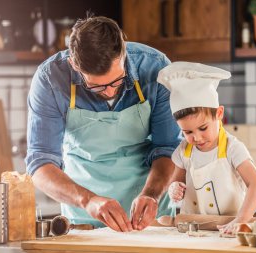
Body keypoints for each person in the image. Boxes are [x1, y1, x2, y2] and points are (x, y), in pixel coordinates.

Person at [26, 15, 181, 232]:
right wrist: (87, 200)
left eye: (117, 81)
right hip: (83, 212)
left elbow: (168, 148)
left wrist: (151, 194)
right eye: (96, 87)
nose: (109, 92)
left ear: (123, 53)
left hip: (150, 211)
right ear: (74, 64)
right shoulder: (50, 79)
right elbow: (40, 164)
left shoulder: (157, 69)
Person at [157, 62, 256, 235]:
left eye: (203, 128)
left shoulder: (232, 148)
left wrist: (241, 220)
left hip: (229, 229)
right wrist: (174, 189)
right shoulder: (183, 151)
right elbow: (177, 182)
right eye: (187, 132)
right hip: (193, 231)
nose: (196, 138)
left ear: (219, 114)